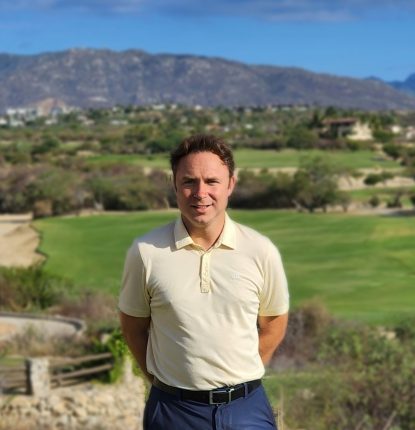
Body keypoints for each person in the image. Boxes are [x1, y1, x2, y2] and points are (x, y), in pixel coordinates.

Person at [119, 134, 289, 430]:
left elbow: (274, 322)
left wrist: (239, 372)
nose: (200, 192)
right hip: (173, 411)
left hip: (246, 409)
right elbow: (134, 328)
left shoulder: (261, 251)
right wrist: (169, 381)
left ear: (230, 185)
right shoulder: (145, 252)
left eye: (212, 181)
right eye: (189, 182)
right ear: (174, 185)